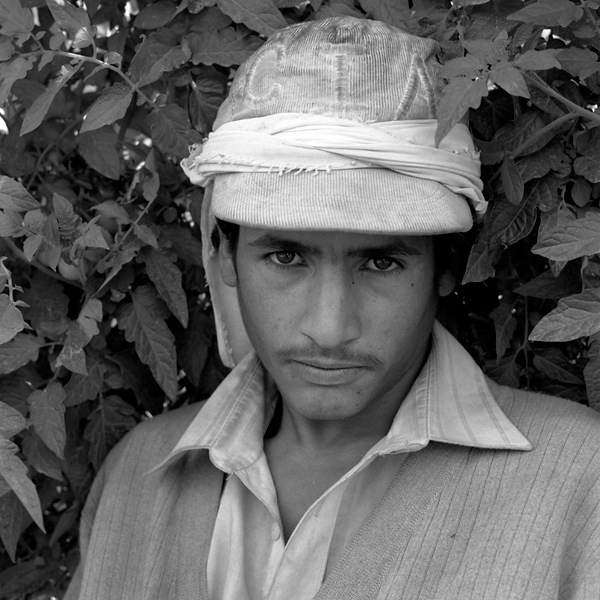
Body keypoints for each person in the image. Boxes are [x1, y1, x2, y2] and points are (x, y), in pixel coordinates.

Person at [64, 17, 600, 600]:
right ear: (223, 256)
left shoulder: (582, 484)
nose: (329, 328)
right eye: (287, 256)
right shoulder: (135, 476)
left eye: (381, 263)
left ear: (446, 267)